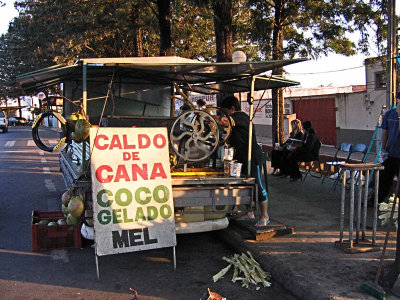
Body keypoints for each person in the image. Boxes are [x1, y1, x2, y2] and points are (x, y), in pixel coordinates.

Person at [218, 96, 270, 227]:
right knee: (245, 185)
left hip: (252, 157)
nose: (225, 114)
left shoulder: (240, 116)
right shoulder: (237, 118)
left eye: (226, 111)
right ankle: (249, 213)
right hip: (242, 157)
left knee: (257, 185)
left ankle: (265, 216)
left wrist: (207, 116)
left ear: (232, 108)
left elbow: (224, 121)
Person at [378, 96, 400, 203]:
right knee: (384, 179)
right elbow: (385, 132)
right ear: (397, 100)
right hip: (391, 153)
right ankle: (377, 199)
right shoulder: (389, 115)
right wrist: (383, 148)